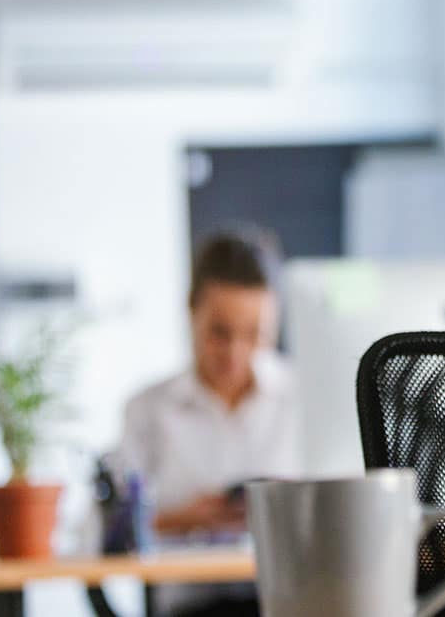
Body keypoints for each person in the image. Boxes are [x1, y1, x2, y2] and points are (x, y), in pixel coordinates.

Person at [113, 230, 301, 616]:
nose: (236, 352)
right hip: (191, 607)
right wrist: (183, 519)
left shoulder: (303, 399)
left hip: (289, 600)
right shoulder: (148, 409)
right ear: (191, 311)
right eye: (219, 332)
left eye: (254, 334)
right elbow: (107, 535)